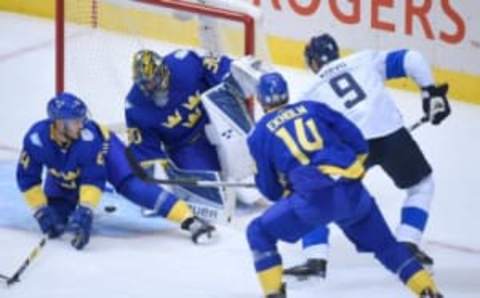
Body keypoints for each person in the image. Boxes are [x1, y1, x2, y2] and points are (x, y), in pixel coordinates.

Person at [245, 72, 443, 298]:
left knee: (258, 231)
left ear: (260, 100)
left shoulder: (258, 135)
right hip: (352, 193)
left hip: (312, 203)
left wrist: (285, 183)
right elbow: (359, 143)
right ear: (287, 93)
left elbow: (271, 191)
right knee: (388, 248)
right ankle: (429, 292)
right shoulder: (313, 107)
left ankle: (274, 293)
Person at [284, 33, 450, 279]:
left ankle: (315, 259)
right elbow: (412, 58)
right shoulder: (363, 59)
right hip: (390, 134)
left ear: (313, 62)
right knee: (421, 185)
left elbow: (305, 138)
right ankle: (407, 242)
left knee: (315, 196)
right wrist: (431, 93)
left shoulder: (309, 92)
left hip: (351, 146)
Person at [16, 92, 215, 250]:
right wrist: (40, 211)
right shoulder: (36, 140)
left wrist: (86, 210)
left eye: (81, 119)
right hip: (65, 170)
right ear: (59, 124)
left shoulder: (89, 138)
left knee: (133, 187)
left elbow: (93, 179)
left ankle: (189, 219)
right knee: (56, 219)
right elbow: (27, 178)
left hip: (106, 149)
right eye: (76, 121)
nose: (81, 124)